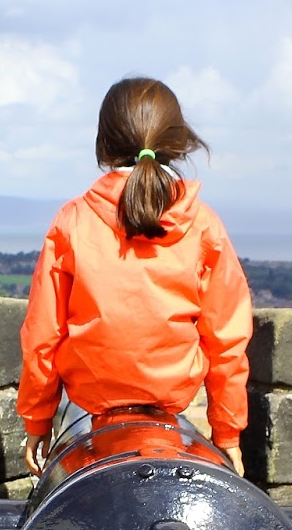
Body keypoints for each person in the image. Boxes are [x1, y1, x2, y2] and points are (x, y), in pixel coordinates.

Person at [17, 77, 253, 478]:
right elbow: (227, 341)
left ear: (104, 145)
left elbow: (43, 335)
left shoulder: (73, 221)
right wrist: (227, 433)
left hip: (92, 401)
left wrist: (38, 420)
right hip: (170, 403)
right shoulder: (203, 224)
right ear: (178, 142)